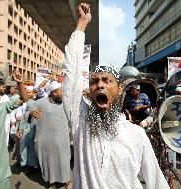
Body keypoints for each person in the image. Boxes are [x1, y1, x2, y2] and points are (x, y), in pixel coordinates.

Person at [62, 3, 169, 189]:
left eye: (106, 80)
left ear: (120, 89)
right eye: (94, 81)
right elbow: (71, 71)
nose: (100, 84)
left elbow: (156, 181)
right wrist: (81, 25)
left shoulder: (136, 135)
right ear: (89, 89)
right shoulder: (80, 122)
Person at [30, 81, 71, 189]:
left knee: (64, 161)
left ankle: (66, 180)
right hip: (45, 140)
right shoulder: (41, 102)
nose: (63, 93)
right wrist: (31, 112)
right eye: (61, 91)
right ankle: (51, 182)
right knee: (48, 163)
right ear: (54, 93)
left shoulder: (66, 103)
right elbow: (29, 108)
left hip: (62, 140)